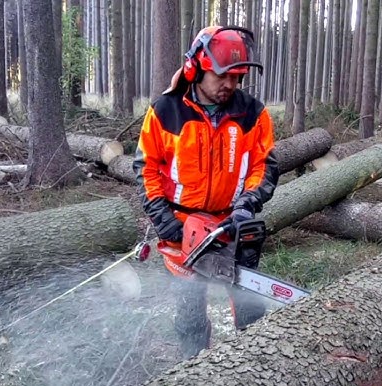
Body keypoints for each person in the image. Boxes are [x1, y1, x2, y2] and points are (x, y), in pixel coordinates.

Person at [132, 25, 279, 358]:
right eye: (222, 76)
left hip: (232, 223)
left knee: (250, 308)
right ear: (196, 68)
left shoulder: (252, 113)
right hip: (182, 227)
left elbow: (265, 165)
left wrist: (247, 205)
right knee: (189, 314)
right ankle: (194, 367)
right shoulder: (166, 111)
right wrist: (162, 217)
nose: (230, 84)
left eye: (237, 77)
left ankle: (253, 363)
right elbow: (146, 168)